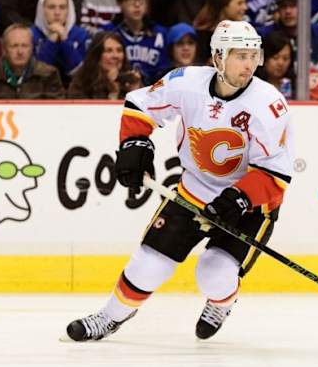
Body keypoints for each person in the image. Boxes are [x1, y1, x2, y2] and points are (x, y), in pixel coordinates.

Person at [65, 20, 294, 342]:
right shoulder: (186, 82)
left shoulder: (268, 105)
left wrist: (238, 198)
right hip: (193, 192)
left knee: (213, 274)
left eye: (253, 55)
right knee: (149, 263)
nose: (249, 64)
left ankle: (222, 302)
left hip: (248, 207)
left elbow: (276, 173)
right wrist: (135, 144)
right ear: (218, 57)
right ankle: (109, 317)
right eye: (239, 55)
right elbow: (140, 106)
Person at [0, 23, 65, 98]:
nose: (20, 52)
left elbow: (57, 109)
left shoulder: (48, 74)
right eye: (14, 46)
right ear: (4, 49)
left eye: (25, 46)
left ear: (31, 48)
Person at [108, 0, 169, 85]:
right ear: (119, 3)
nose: (137, 5)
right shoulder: (108, 33)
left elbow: (165, 72)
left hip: (152, 93)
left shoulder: (160, 34)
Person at [31, 0, 90, 84]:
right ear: (41, 9)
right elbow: (36, 75)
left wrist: (64, 40)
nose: (57, 13)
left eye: (62, 7)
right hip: (38, 91)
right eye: (51, 7)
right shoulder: (30, 35)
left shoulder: (81, 34)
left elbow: (80, 73)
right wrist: (51, 41)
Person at [260, 0, 318, 65]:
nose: (288, 11)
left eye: (293, 6)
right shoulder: (266, 35)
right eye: (283, 6)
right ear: (278, 10)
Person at [68, 31, 142, 99]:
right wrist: (113, 93)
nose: (116, 56)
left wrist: (135, 92)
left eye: (119, 50)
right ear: (96, 56)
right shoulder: (81, 81)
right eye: (109, 51)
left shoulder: (130, 79)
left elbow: (144, 111)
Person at [193, 0, 247, 64]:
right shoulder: (201, 37)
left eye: (245, 3)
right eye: (239, 3)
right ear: (224, 5)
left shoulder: (245, 34)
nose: (245, 7)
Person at [0, 0, 82, 35]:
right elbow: (6, 12)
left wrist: (62, 31)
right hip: (24, 33)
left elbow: (75, 13)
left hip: (64, 33)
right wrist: (36, 32)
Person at [255, 30, 295, 99]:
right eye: (275, 58)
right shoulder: (253, 86)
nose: (281, 63)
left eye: (285, 58)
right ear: (264, 58)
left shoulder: (297, 86)